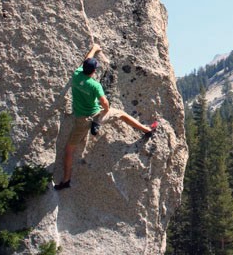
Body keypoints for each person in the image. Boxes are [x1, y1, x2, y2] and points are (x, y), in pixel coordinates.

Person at [54, 44, 158, 190]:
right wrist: (105, 110)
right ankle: (146, 130)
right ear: (94, 71)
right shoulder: (95, 85)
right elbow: (105, 103)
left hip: (81, 120)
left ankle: (65, 180)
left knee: (69, 149)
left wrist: (94, 49)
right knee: (122, 114)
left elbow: (87, 59)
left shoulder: (77, 75)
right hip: (96, 114)